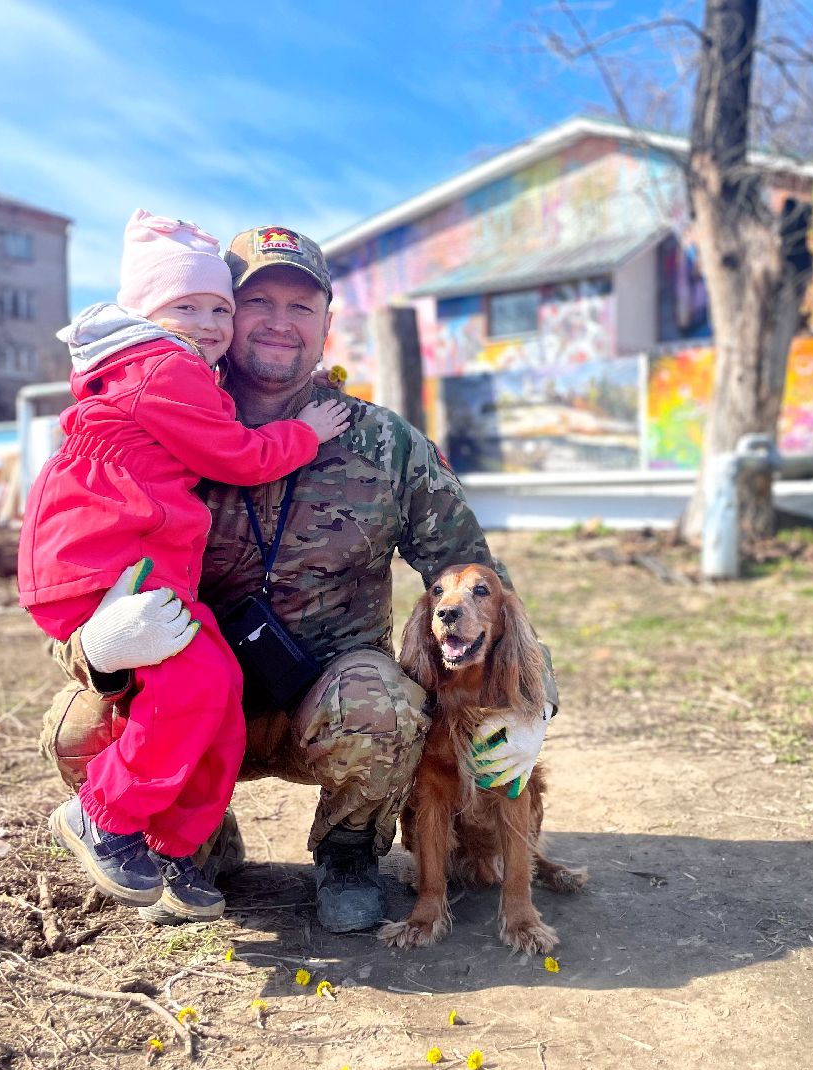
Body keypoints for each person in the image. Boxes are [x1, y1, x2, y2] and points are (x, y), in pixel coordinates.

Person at [39, 224, 556, 930]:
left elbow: (477, 576)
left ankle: (348, 854)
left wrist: (533, 704)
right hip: (190, 688)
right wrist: (95, 651)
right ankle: (182, 844)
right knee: (78, 727)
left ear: (326, 325)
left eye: (301, 306)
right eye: (258, 302)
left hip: (331, 699)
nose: (280, 322)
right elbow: (73, 556)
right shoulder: (152, 414)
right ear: (226, 315)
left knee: (385, 703)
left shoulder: (385, 444)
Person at [19, 210, 351, 922]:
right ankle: (103, 815)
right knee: (195, 686)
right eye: (186, 307)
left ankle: (175, 848)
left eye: (217, 309)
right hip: (106, 563)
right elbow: (237, 454)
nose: (208, 324)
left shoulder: (171, 368)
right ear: (146, 314)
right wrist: (303, 433)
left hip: (139, 563)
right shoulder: (164, 368)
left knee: (217, 687)